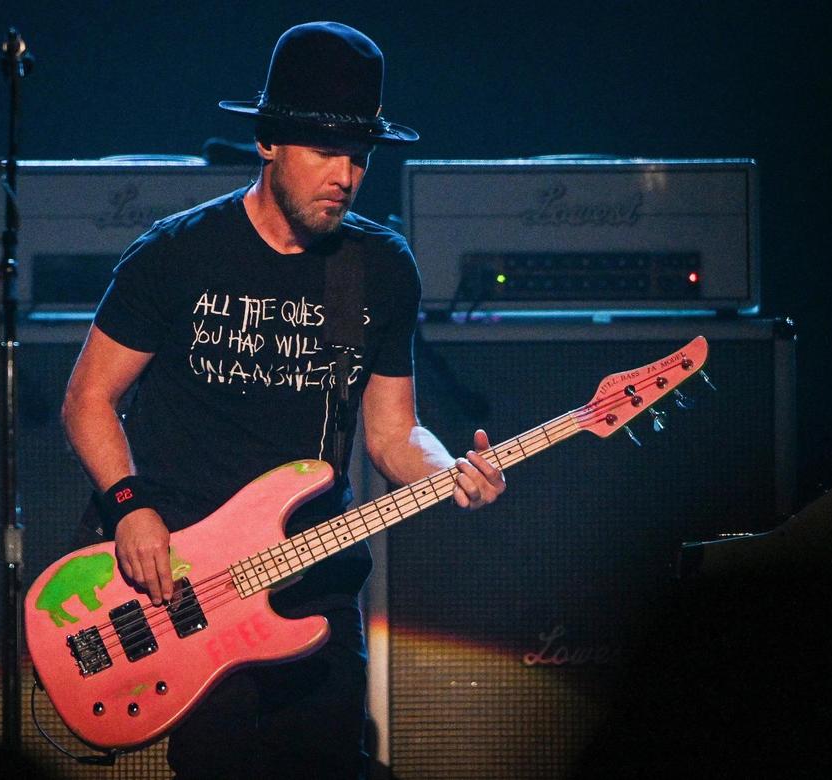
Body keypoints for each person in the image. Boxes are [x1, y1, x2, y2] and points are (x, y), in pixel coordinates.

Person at [61, 21, 506, 779]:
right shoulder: (178, 252)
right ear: (269, 142)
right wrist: (131, 506)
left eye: (360, 155)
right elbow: (88, 398)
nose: (347, 174)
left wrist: (446, 471)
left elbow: (393, 433)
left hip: (312, 580)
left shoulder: (373, 267)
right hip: (188, 584)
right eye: (326, 150)